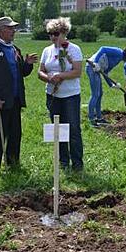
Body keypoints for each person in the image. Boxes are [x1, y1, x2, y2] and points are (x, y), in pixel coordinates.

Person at [0, 16, 37, 172]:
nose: (13, 31)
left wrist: (28, 65)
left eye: (14, 28)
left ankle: (13, 163)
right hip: (0, 102)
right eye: (10, 28)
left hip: (15, 100)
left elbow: (21, 72)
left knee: (15, 133)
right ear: (0, 30)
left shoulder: (15, 49)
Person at [38, 17, 84, 171]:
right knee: (58, 129)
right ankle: (63, 162)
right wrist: (49, 78)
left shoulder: (74, 49)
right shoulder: (47, 51)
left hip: (70, 96)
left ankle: (77, 163)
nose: (52, 37)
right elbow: (41, 71)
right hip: (52, 95)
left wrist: (61, 76)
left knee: (73, 129)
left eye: (55, 33)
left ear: (64, 32)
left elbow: (77, 72)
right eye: (50, 34)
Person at [85, 45, 126, 127]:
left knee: (100, 94)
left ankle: (99, 118)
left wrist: (112, 84)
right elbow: (103, 48)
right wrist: (96, 62)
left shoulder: (118, 59)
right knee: (95, 94)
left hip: (96, 70)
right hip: (91, 67)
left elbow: (106, 72)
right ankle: (91, 119)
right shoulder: (118, 52)